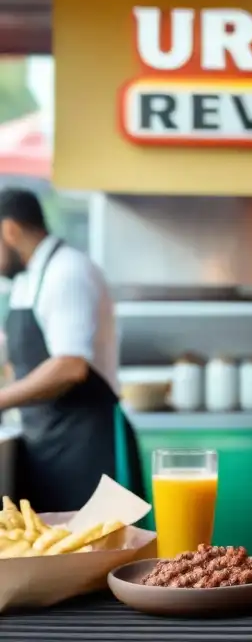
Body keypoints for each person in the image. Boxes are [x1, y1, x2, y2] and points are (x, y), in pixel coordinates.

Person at [0, 188, 139, 512]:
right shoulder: (26, 280)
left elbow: (69, 366)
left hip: (87, 450)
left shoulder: (68, 272)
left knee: (93, 555)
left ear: (10, 230)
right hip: (47, 444)